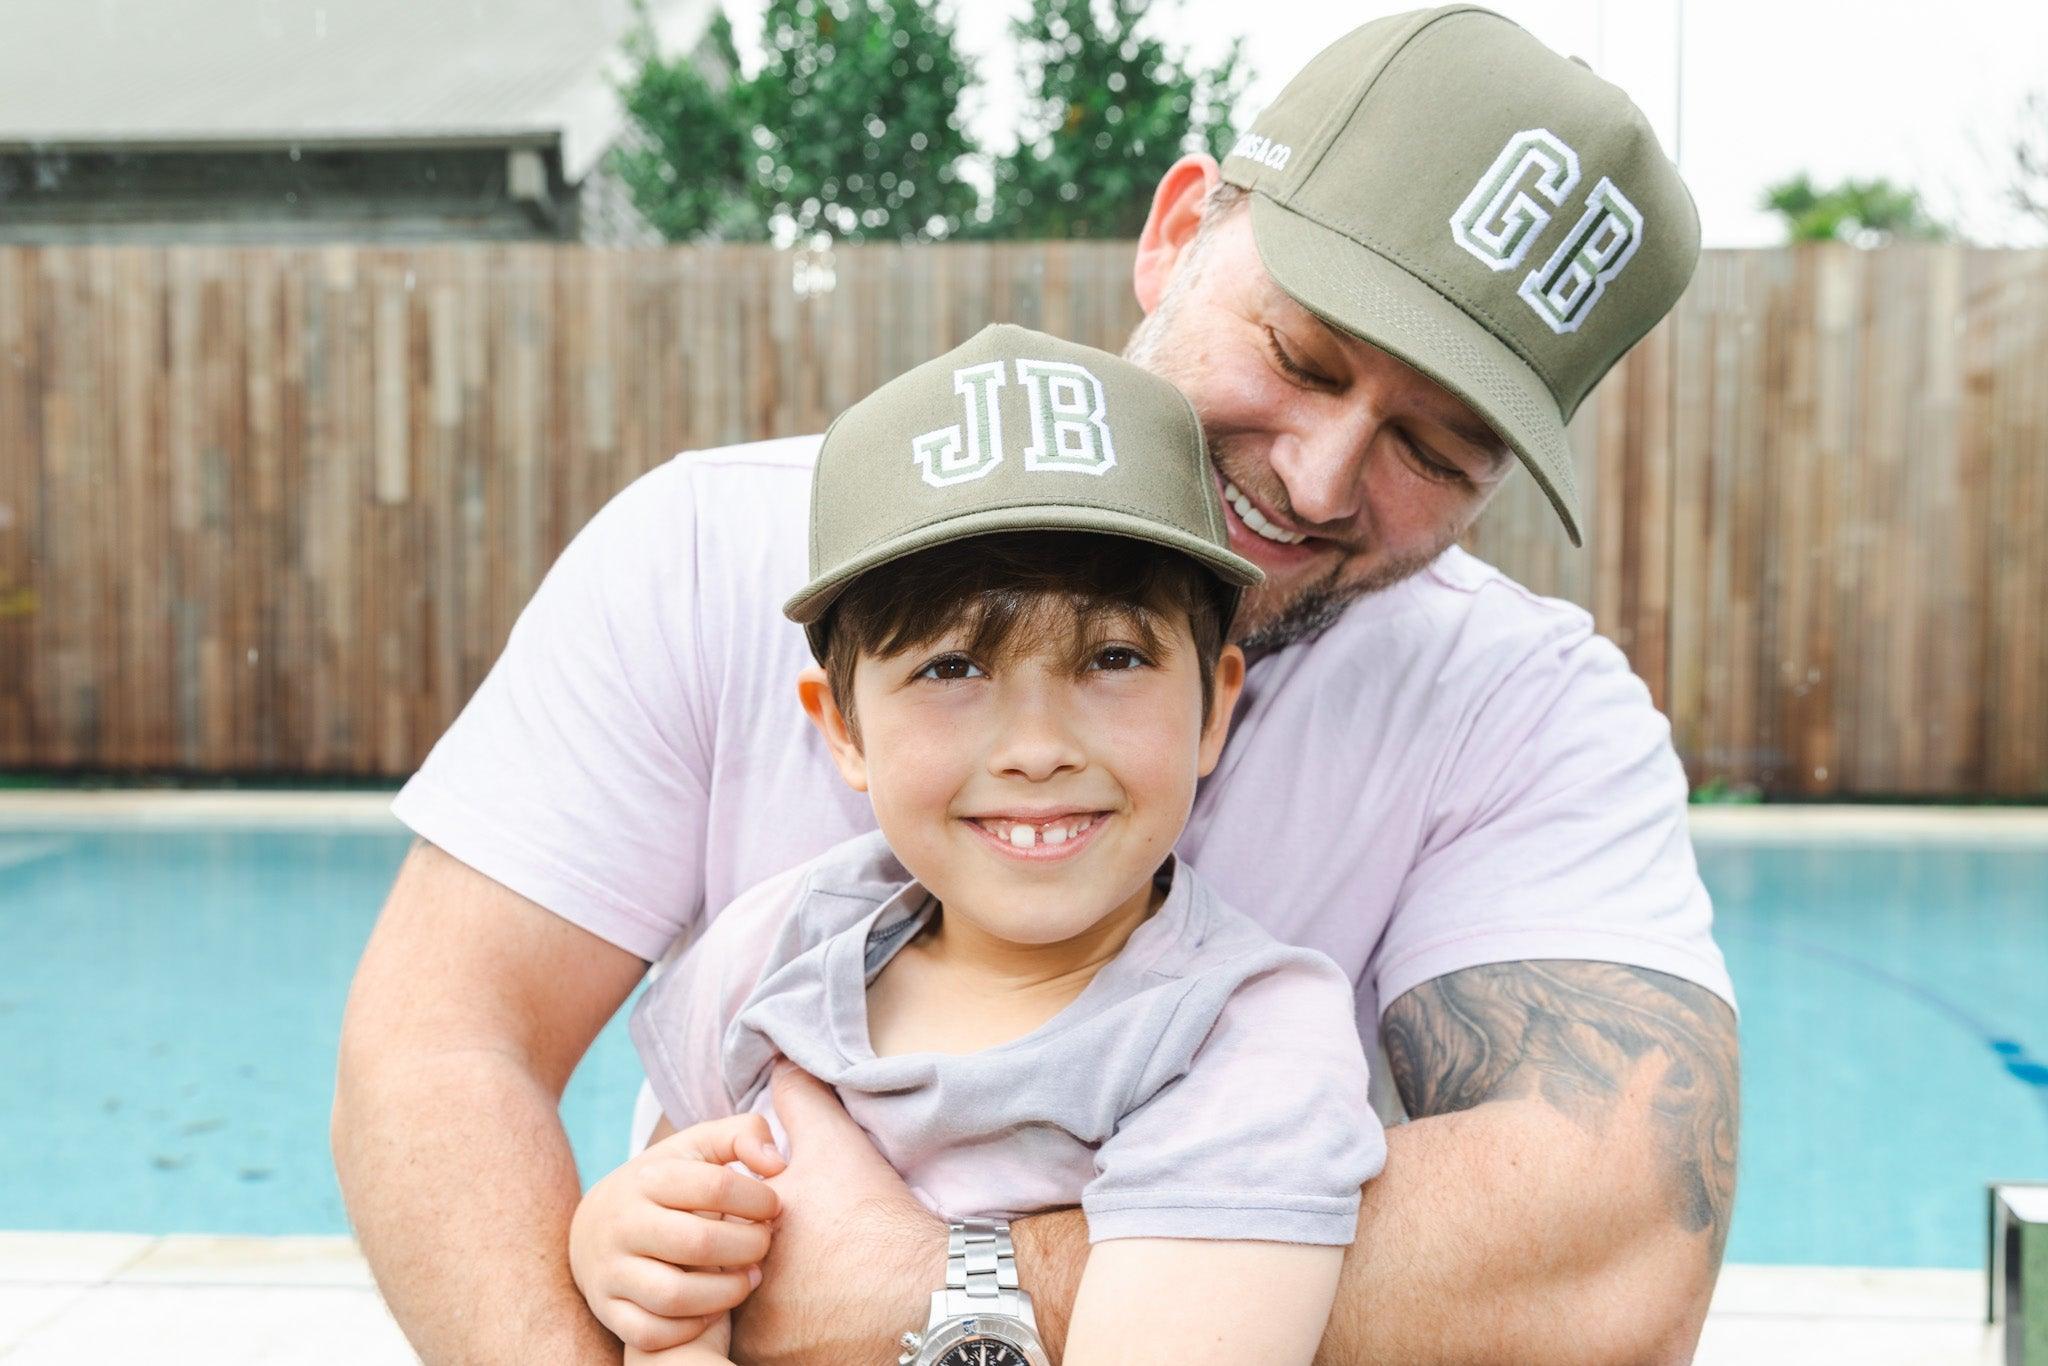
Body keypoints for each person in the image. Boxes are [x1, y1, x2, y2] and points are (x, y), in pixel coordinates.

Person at [333, 9, 1742, 1363]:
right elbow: (445, 1046)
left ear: (1215, 701)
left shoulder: (1524, 710)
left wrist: (935, 1296)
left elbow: (1619, 1256)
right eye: (1300, 355)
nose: (1318, 479)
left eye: (1438, 449)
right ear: (1177, 230)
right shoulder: (714, 553)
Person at [567, 325, 1383, 1366]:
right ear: (842, 728)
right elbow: (672, 1220)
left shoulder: (1238, 1040)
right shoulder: (776, 944)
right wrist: (617, 1245)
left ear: (1212, 707)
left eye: (1114, 656)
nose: (1036, 747)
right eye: (953, 668)